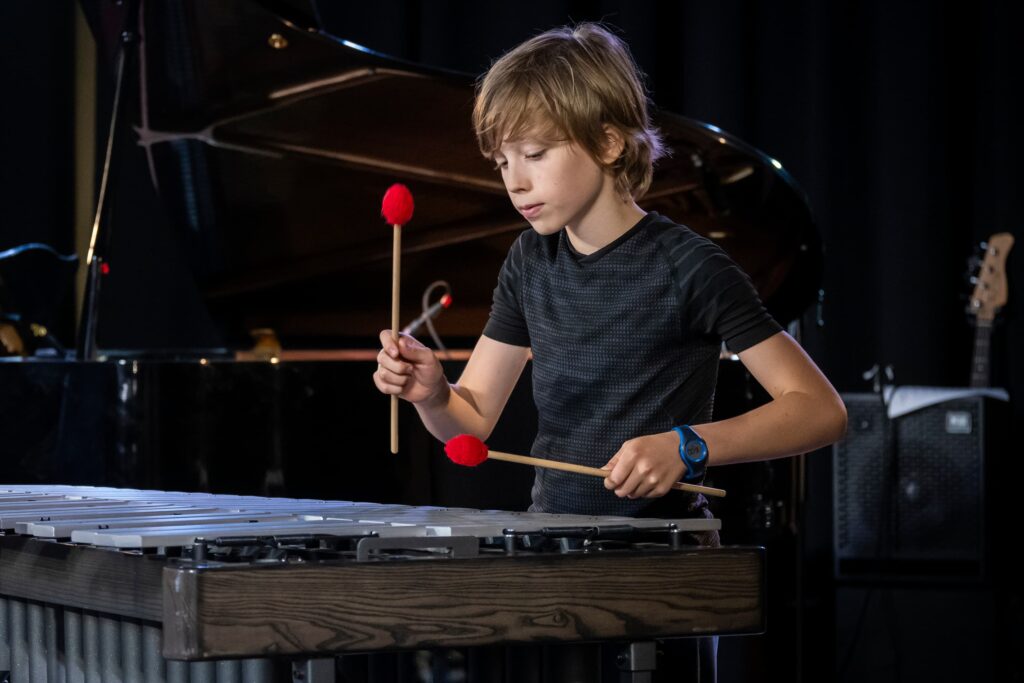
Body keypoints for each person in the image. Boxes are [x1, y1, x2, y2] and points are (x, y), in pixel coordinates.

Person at [374, 22, 847, 681]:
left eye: (534, 152)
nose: (514, 180)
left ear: (607, 140)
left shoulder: (690, 268)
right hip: (550, 551)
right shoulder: (529, 261)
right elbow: (473, 417)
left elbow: (820, 411)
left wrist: (687, 444)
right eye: (503, 161)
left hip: (663, 561)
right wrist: (431, 394)